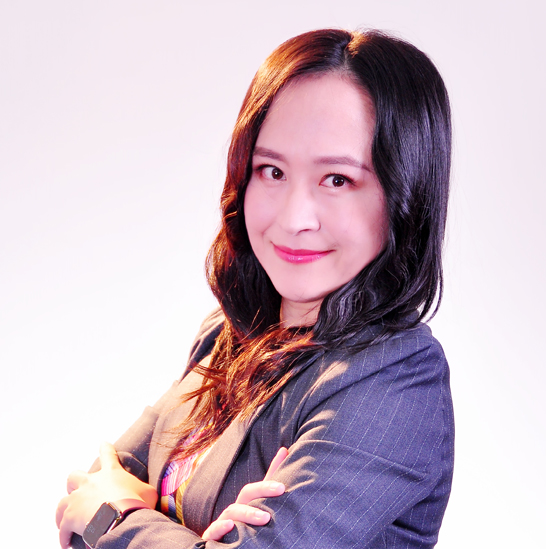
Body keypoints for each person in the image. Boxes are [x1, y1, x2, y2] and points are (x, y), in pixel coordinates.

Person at [56, 28, 454, 548]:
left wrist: (116, 520)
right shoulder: (228, 335)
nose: (293, 218)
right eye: (271, 171)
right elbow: (87, 492)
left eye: (337, 179)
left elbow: (97, 513)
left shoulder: (395, 380)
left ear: (405, 196)